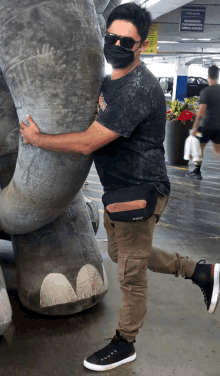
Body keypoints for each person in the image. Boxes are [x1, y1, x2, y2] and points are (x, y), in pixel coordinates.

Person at [20, 3, 220, 372]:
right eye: (110, 37)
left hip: (139, 193)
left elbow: (86, 143)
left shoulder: (138, 88)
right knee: (125, 255)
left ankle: (124, 342)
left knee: (131, 274)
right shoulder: (110, 81)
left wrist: (37, 138)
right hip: (117, 193)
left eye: (125, 41)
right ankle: (200, 271)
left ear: (141, 45)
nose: (115, 44)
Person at [186, 65, 220, 179]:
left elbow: (201, 111)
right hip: (219, 126)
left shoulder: (206, 91)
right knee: (218, 149)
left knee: (199, 148)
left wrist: (195, 127)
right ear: (218, 75)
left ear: (208, 76)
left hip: (206, 126)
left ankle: (197, 171)